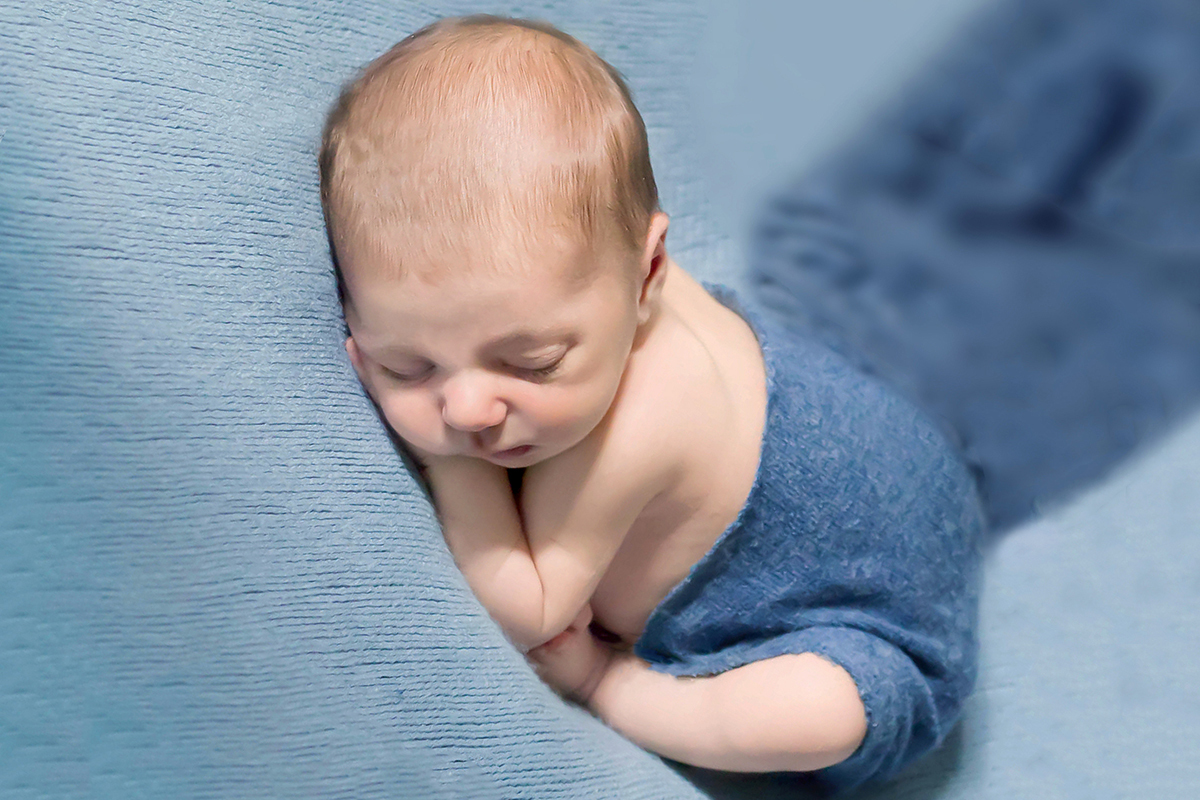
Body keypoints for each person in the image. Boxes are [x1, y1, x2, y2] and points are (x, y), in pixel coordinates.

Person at [318, 14, 983, 793]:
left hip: (869, 609)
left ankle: (618, 686)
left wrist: (447, 465)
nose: (466, 410)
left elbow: (531, 609)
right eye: (406, 364)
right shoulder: (583, 286)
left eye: (531, 362)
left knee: (818, 717)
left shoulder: (640, 422)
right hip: (882, 455)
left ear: (648, 274)